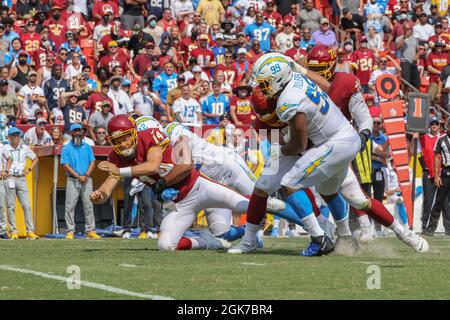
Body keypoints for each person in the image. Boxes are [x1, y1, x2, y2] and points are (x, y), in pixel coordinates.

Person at [229, 52, 428, 255]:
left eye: (265, 85)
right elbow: (324, 88)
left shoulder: (287, 102)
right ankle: (250, 240)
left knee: (292, 184)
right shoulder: (291, 83)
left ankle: (321, 237)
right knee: (265, 185)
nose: (263, 90)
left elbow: (298, 144)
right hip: (320, 143)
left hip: (329, 144)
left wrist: (283, 144)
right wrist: (279, 142)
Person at [61, 123, 100, 240]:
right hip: (73, 180)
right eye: (76, 131)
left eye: (80, 131)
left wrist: (86, 175)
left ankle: (90, 230)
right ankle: (70, 231)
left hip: (87, 179)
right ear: (71, 133)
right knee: (70, 206)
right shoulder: (66, 147)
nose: (78, 133)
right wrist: (79, 177)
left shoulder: (87, 146)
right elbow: (66, 166)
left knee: (89, 205)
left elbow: (93, 162)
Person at [5, 127, 39, 240]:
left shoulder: (24, 148)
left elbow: (35, 159)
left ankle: (30, 231)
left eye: (17, 135)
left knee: (27, 205)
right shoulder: (4, 148)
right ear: (9, 137)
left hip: (21, 178)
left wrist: (29, 170)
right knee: (10, 206)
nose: (16, 137)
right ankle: (14, 231)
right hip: (9, 178)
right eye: (13, 135)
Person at [426, 121, 450, 236]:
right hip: (446, 172)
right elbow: (437, 158)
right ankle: (431, 228)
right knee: (439, 201)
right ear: (447, 126)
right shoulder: (441, 139)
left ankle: (449, 229)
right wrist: (436, 176)